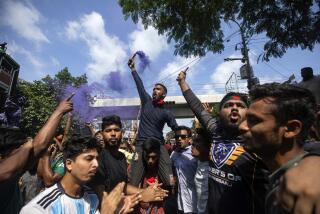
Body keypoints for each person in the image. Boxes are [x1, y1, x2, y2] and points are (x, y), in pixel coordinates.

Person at [177, 70, 268, 214]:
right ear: (219, 113)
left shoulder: (258, 142)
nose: (234, 108)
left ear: (248, 112)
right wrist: (182, 82)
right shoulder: (215, 131)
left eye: (240, 105)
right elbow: (197, 107)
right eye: (228, 105)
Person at [239, 83, 320, 214]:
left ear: (291, 129)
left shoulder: (309, 189)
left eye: (253, 120)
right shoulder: (278, 179)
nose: (242, 126)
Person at [0, 94, 74, 214]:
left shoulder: (14, 173)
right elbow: (37, 147)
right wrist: (28, 146)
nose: (24, 152)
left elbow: (39, 146)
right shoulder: (6, 172)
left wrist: (60, 111)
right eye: (18, 149)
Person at [89, 115, 168, 204]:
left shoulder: (122, 157)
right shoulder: (98, 159)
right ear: (102, 134)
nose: (113, 134)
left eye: (117, 130)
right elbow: (103, 199)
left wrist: (146, 191)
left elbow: (124, 186)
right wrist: (141, 196)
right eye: (108, 131)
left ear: (122, 133)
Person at [128, 56, 178, 187]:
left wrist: (180, 143)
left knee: (169, 181)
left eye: (158, 89)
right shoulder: (146, 101)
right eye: (154, 88)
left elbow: (176, 129)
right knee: (133, 182)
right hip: (141, 145)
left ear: (164, 94)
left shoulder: (167, 113)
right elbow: (140, 85)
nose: (154, 90)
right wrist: (133, 69)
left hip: (158, 146)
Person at [20, 137, 101, 213]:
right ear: (69, 164)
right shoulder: (40, 208)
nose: (96, 164)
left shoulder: (92, 197)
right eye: (89, 159)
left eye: (97, 159)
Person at [170, 126, 197, 214]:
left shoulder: (196, 153)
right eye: (177, 137)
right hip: (180, 201)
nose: (179, 139)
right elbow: (171, 171)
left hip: (195, 201)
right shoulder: (174, 154)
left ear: (189, 139)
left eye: (183, 137)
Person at [136, 138, 166, 214]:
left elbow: (170, 191)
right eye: (147, 157)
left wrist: (158, 190)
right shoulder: (134, 169)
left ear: (159, 155)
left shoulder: (165, 170)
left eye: (153, 157)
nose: (150, 161)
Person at [191, 129, 210, 214]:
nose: (193, 143)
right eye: (194, 140)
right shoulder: (198, 162)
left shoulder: (213, 171)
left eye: (198, 141)